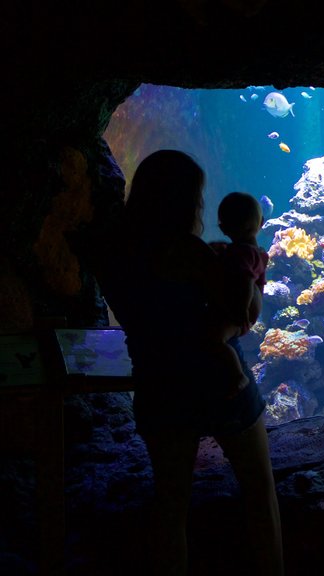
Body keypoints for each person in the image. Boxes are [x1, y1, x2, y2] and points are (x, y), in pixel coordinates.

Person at [100, 150, 283, 576]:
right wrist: (250, 265)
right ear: (184, 201)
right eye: (199, 198)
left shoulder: (119, 256)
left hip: (159, 383)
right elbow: (243, 315)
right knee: (259, 491)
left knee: (169, 503)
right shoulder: (194, 255)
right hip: (222, 383)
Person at [208, 191, 269, 395]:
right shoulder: (252, 252)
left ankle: (238, 375)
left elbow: (244, 281)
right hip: (243, 312)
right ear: (261, 224)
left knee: (216, 339)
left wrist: (241, 308)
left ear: (223, 227)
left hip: (239, 314)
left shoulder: (241, 255)